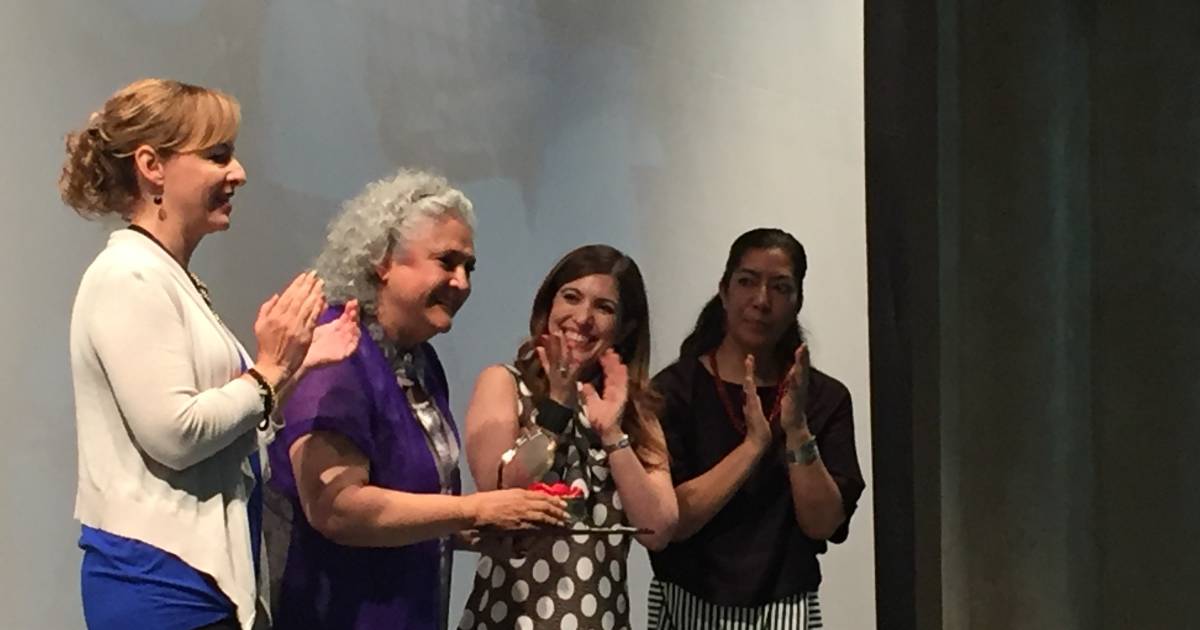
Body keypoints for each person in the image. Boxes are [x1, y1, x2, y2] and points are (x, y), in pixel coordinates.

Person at [62, 78, 359, 630]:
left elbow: (222, 434)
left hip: (193, 582)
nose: (238, 172)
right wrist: (271, 369)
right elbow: (177, 436)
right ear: (152, 166)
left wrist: (293, 367)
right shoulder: (129, 276)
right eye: (218, 155)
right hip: (160, 585)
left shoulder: (165, 276)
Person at [268, 168, 568, 630]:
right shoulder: (337, 348)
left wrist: (479, 529)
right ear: (382, 260)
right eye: (447, 262)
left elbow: (411, 507)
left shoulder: (421, 362)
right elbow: (335, 509)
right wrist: (474, 509)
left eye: (469, 268)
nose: (462, 282)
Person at [647, 228, 865, 630]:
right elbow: (672, 520)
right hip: (688, 603)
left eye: (780, 287)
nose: (761, 301)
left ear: (798, 301)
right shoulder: (673, 391)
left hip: (787, 609)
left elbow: (823, 523)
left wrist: (797, 430)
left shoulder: (824, 398)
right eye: (747, 281)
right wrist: (752, 446)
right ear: (724, 290)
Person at [459, 244, 679, 630]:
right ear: (548, 306)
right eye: (571, 297)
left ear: (625, 327)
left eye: (604, 307)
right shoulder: (504, 383)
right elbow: (498, 493)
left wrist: (612, 433)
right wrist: (556, 409)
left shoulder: (634, 412)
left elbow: (658, 529)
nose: (583, 318)